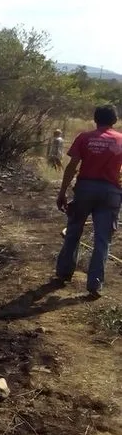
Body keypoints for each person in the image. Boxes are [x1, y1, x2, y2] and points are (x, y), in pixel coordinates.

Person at [55, 105, 122, 297]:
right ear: (114, 120)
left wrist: (62, 192)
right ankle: (95, 284)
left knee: (74, 231)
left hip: (84, 189)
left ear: (95, 119)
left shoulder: (84, 137)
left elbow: (72, 167)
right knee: (102, 239)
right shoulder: (120, 140)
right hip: (110, 193)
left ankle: (63, 273)